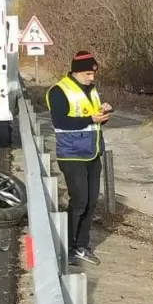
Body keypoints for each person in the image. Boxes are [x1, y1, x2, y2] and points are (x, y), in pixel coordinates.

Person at [46, 51, 111, 266]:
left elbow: (93, 122)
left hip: (92, 152)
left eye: (93, 74)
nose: (91, 78)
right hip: (72, 154)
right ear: (75, 71)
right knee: (79, 201)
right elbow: (61, 122)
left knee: (92, 202)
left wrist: (103, 114)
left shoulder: (91, 90)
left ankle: (82, 245)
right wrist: (90, 118)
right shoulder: (59, 91)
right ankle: (69, 246)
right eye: (87, 74)